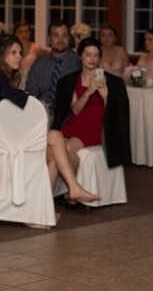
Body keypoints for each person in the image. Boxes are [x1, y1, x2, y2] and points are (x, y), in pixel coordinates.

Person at [0, 35, 100, 205]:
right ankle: (72, 188)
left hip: (3, 139)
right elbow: (4, 92)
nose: (19, 57)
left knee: (55, 153)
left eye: (20, 52)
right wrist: (29, 99)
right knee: (55, 137)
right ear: (1, 55)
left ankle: (44, 209)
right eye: (13, 53)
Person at [53, 36, 131, 209]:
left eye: (96, 55)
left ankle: (70, 191)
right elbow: (75, 110)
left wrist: (105, 97)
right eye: (88, 55)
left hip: (95, 127)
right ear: (80, 56)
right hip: (75, 123)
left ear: (99, 58)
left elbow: (115, 114)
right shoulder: (71, 80)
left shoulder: (112, 82)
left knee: (66, 147)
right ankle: (66, 191)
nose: (92, 59)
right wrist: (88, 92)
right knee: (56, 149)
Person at [26, 20, 80, 115]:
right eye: (56, 36)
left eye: (64, 36)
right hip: (42, 113)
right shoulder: (39, 64)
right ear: (49, 39)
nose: (60, 40)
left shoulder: (78, 62)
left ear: (69, 38)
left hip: (70, 114)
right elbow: (31, 94)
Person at [13, 20, 45, 85]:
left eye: (26, 31)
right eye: (20, 32)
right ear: (15, 34)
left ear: (30, 33)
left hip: (33, 83)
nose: (23, 34)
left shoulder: (36, 48)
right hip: (16, 83)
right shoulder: (11, 50)